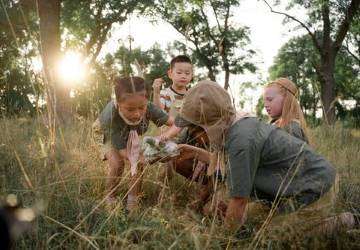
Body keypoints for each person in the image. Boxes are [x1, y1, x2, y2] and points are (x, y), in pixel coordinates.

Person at [173, 80, 354, 235]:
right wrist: (193, 151)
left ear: (209, 125)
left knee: (273, 235)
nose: (196, 137)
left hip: (315, 187)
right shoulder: (236, 124)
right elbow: (231, 166)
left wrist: (224, 241)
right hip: (284, 192)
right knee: (244, 218)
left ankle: (343, 220)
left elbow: (239, 199)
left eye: (195, 130)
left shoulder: (241, 140)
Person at [92, 76, 173, 211]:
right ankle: (109, 198)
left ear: (147, 101)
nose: (137, 114)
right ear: (118, 103)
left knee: (139, 163)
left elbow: (174, 122)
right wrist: (141, 157)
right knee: (118, 164)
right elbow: (124, 151)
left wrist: (165, 137)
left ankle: (132, 201)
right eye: (130, 109)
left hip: (129, 134)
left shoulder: (149, 108)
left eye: (142, 107)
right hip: (105, 135)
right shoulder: (110, 116)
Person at [263, 78, 309, 143]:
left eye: (270, 99)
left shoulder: (292, 128)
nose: (265, 105)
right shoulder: (273, 125)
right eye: (264, 101)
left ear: (286, 99)